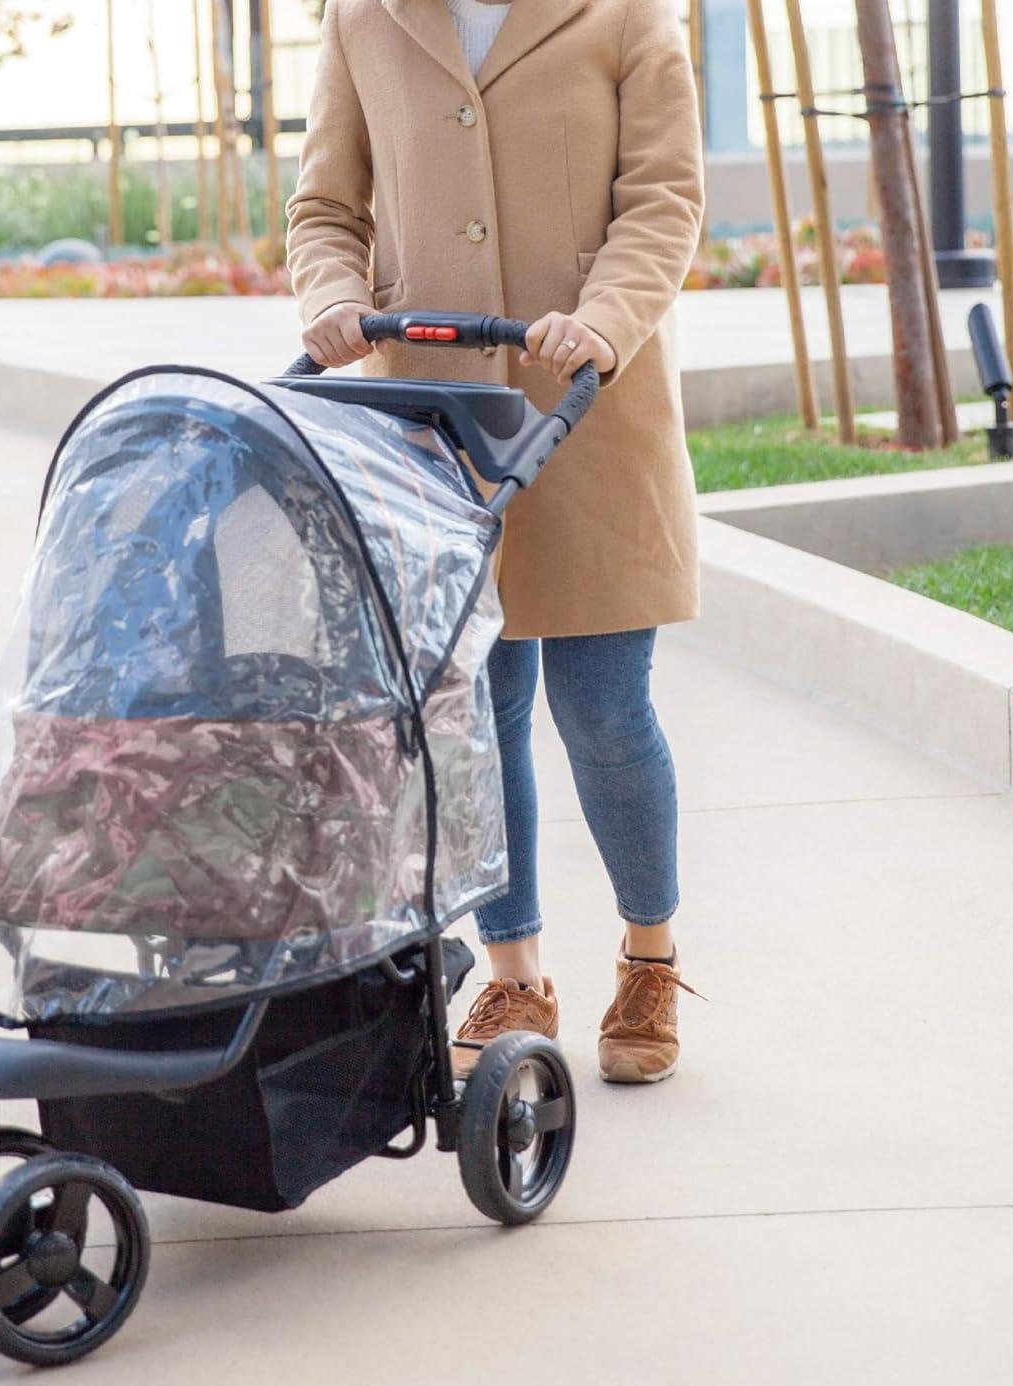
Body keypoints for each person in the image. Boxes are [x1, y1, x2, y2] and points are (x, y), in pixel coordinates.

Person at [286, 0, 706, 1083]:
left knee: (605, 709)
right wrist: (334, 297)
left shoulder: (630, 14)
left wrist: (604, 322)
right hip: (430, 424)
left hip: (588, 416)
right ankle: (516, 970)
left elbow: (662, 200)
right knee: (477, 715)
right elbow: (327, 206)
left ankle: (649, 957)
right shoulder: (363, 17)